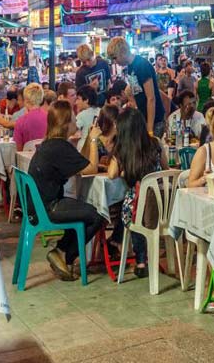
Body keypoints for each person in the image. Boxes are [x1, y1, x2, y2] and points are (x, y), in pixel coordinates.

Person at [28, 101, 103, 280]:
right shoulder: (60, 147)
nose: (76, 119)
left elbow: (81, 161)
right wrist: (93, 139)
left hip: (38, 206)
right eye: (73, 117)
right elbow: (91, 168)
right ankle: (64, 254)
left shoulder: (53, 144)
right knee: (96, 216)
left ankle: (62, 254)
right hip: (48, 208)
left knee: (81, 211)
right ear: (65, 123)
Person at [106, 107, 162, 278]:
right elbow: (165, 169)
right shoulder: (155, 143)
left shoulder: (123, 150)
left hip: (139, 206)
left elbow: (111, 174)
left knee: (130, 211)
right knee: (136, 207)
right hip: (162, 206)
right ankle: (118, 244)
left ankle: (140, 260)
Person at [106, 36, 165, 136]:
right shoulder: (131, 66)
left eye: (115, 58)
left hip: (154, 120)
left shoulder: (141, 65)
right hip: (145, 119)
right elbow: (135, 90)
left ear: (123, 52)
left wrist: (149, 129)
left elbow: (151, 98)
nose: (115, 62)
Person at [74, 85, 100, 153]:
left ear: (86, 100)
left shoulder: (82, 115)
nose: (76, 102)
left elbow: (72, 129)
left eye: (78, 99)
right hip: (98, 149)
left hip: (84, 150)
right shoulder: (101, 111)